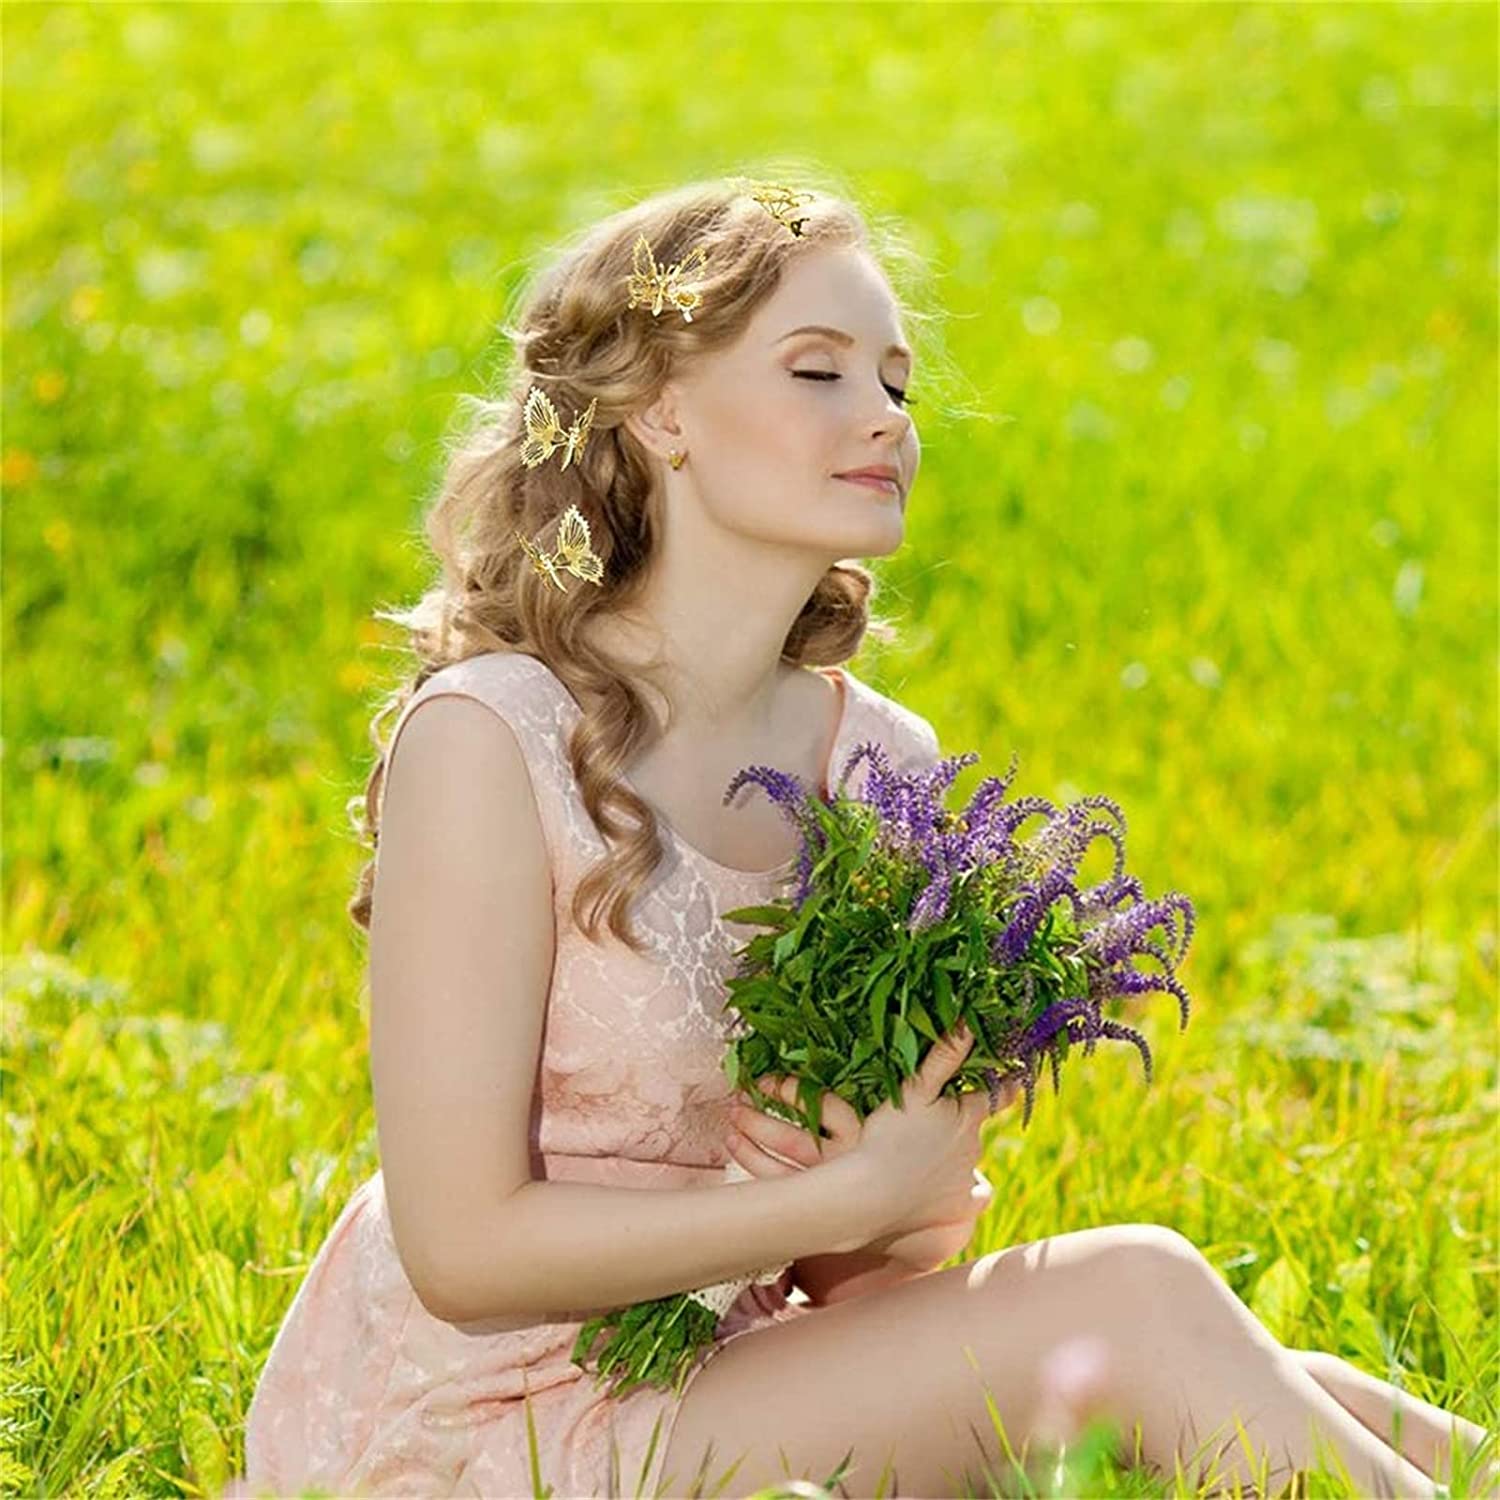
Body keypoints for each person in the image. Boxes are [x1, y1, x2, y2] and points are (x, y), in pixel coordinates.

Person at [232, 176, 1493, 1499]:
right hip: (489, 1419)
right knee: (1133, 1300)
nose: (883, 417)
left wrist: (910, 1186)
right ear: (660, 410)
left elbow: (855, 1282)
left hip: (722, 1369)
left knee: (1255, 1363)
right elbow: (461, 1250)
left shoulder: (874, 765)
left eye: (894, 382)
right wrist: (830, 1201)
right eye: (819, 370)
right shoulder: (492, 742)